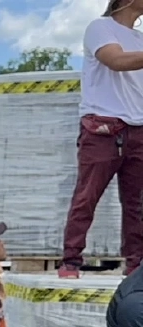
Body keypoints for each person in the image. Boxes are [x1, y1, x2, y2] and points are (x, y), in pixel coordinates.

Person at [62, 0, 143, 279]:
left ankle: (135, 265)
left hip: (138, 129)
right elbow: (116, 60)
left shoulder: (139, 39)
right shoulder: (100, 28)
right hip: (103, 129)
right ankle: (71, 261)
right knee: (87, 196)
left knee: (137, 204)